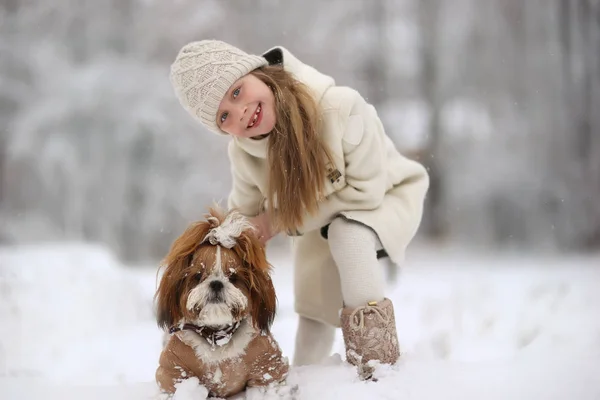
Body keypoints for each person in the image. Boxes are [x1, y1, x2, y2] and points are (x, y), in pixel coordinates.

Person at [169, 40, 429, 379]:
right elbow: (243, 215)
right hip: (312, 220)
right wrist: (214, 244)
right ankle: (307, 380)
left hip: (386, 195)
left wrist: (279, 218)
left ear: (255, 72)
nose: (241, 112)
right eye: (224, 116)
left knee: (347, 235)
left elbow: (367, 190)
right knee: (313, 301)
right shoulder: (243, 153)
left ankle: (377, 368)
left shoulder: (340, 108)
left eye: (236, 92)